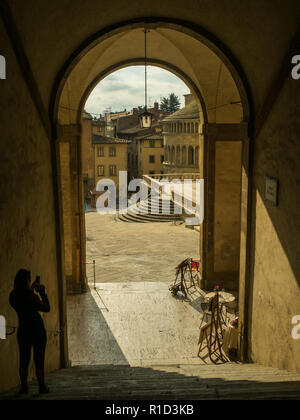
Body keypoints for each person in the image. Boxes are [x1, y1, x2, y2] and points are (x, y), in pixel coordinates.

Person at [9, 269, 51, 395]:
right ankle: (41, 386)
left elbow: (23, 299)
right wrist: (42, 292)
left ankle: (24, 387)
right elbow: (46, 308)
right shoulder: (31, 296)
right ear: (27, 280)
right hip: (37, 330)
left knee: (23, 360)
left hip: (23, 330)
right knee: (39, 359)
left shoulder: (13, 296)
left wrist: (30, 289)